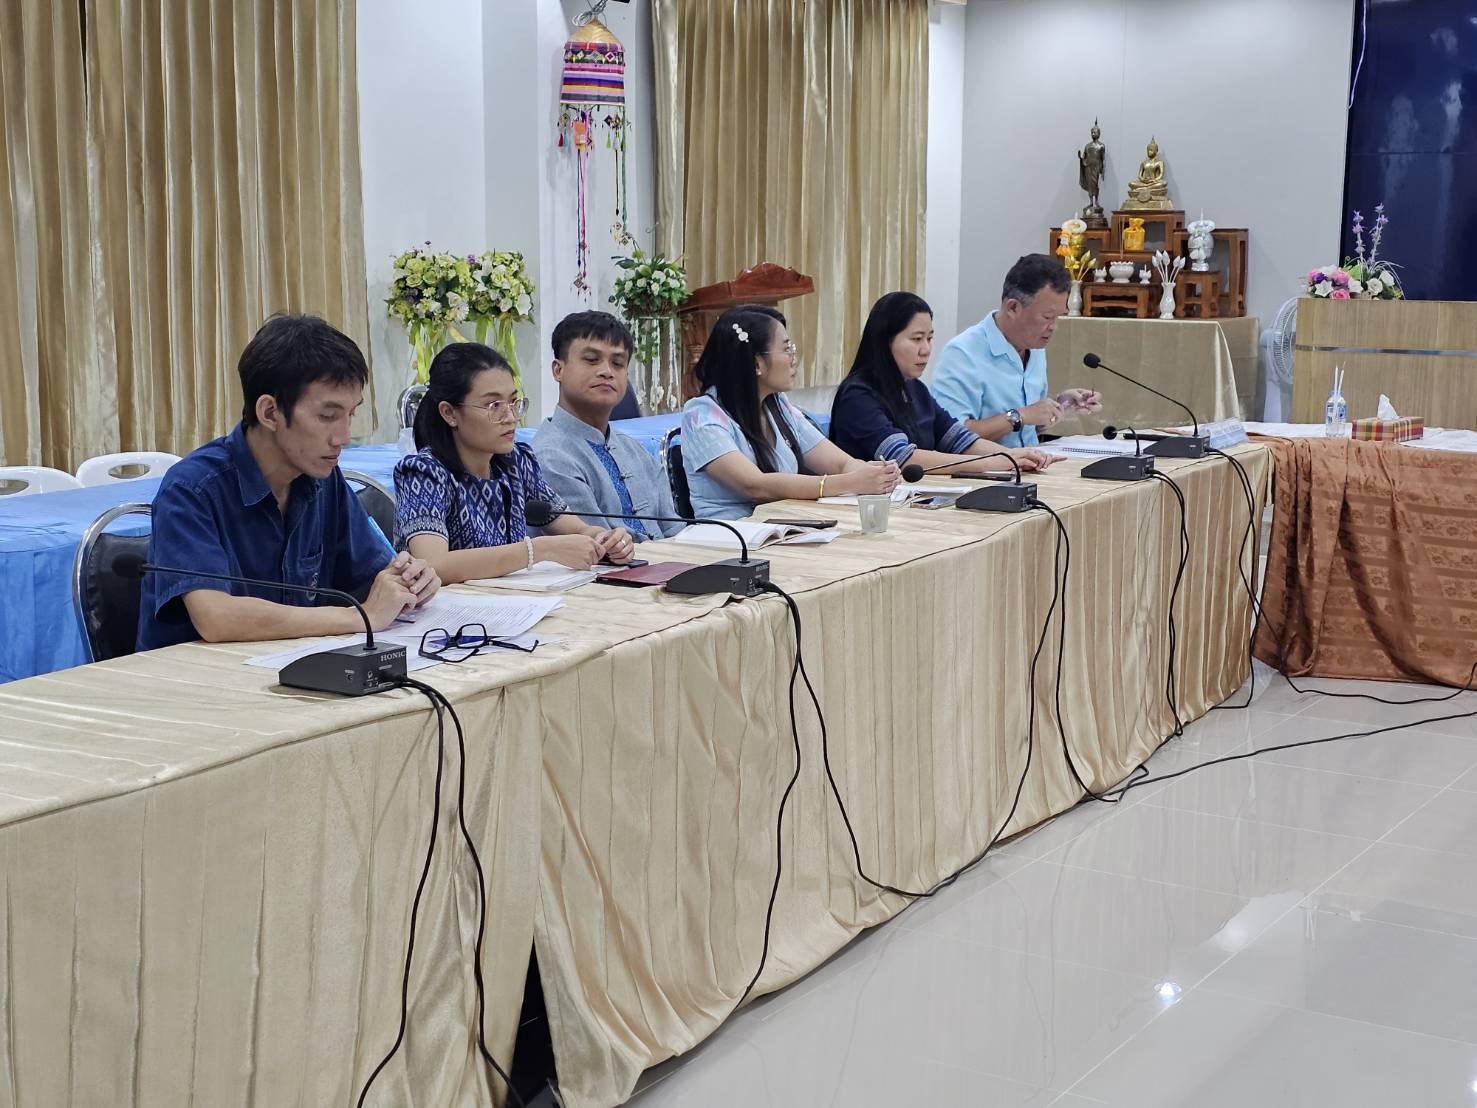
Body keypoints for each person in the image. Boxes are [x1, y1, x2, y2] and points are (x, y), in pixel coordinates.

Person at [137, 314, 440, 651]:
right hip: (194, 685)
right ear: (269, 413)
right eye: (327, 416)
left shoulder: (324, 479)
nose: (343, 436)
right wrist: (360, 618)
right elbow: (217, 617)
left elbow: (375, 575)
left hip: (291, 668)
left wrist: (409, 580)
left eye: (350, 414)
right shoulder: (193, 488)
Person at [394, 342, 637, 581]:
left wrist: (604, 539)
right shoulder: (424, 473)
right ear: (449, 413)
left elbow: (573, 527)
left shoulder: (516, 462)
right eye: (494, 405)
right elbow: (433, 565)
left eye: (513, 402)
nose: (510, 417)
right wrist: (540, 550)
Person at [680, 305, 900, 521]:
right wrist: (850, 482)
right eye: (786, 349)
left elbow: (840, 464)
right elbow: (755, 485)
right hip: (729, 540)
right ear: (756, 363)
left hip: (783, 528)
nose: (794, 359)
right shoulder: (702, 415)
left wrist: (876, 475)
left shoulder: (777, 405)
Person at [830, 291, 1057, 477]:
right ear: (884, 342)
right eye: (916, 339)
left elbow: (960, 440)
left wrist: (1015, 456)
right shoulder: (858, 396)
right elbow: (904, 459)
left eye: (929, 338)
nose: (926, 350)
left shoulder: (914, 388)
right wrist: (995, 462)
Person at [531, 311, 684, 540]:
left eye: (618, 363)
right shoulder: (550, 458)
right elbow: (601, 549)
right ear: (558, 370)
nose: (606, 372)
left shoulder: (637, 450)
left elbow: (673, 530)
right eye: (591, 360)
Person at [930, 254, 1104, 448]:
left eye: (1058, 317)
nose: (1054, 326)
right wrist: (1020, 416)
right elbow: (949, 436)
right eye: (1047, 317)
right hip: (984, 473)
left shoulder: (1034, 348)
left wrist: (1059, 406)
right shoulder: (963, 353)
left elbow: (1028, 425)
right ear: (1013, 307)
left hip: (1029, 464)